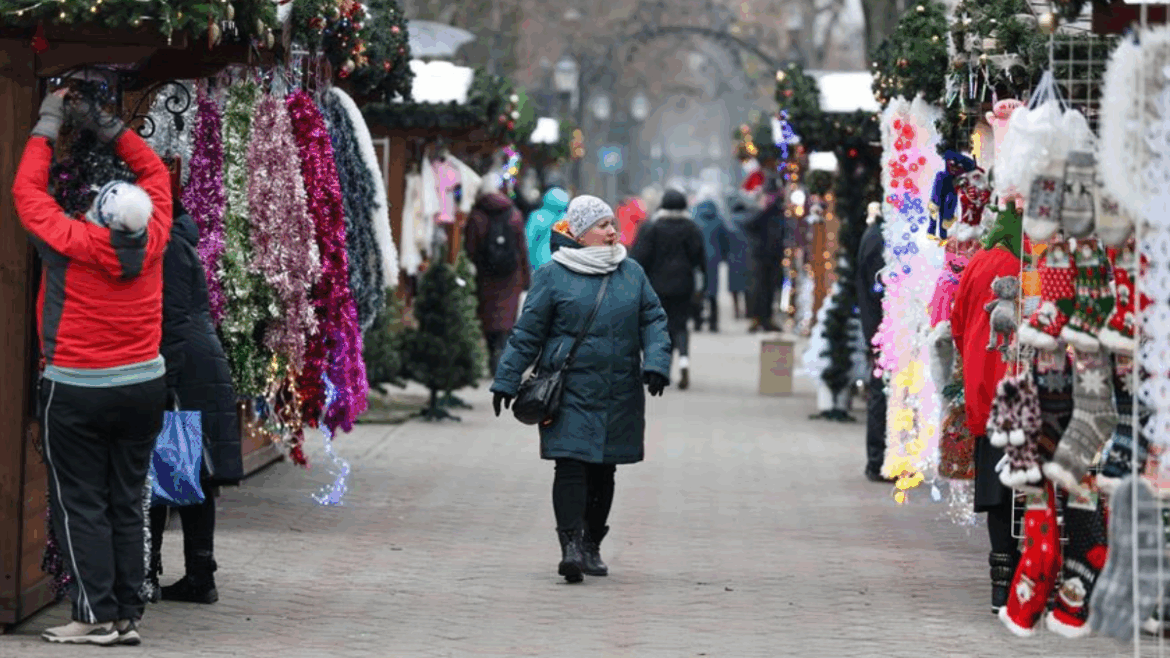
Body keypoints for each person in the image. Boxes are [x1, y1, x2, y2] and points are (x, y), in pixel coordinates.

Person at [14, 89, 172, 645]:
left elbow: (26, 191)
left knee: (80, 502)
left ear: (97, 215)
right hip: (144, 387)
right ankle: (127, 612)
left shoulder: (70, 242)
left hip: (76, 389)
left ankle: (94, 615)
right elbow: (154, 171)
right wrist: (108, 126)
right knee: (127, 499)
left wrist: (51, 121)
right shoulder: (154, 237)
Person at [489, 195, 671, 584]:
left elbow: (653, 320)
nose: (611, 231)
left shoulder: (632, 272)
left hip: (618, 389)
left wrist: (656, 363)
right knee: (570, 463)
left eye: (611, 224)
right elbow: (527, 333)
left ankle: (591, 543)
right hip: (568, 389)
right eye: (602, 225)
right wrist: (506, 379)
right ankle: (569, 546)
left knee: (604, 469)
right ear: (579, 232)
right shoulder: (553, 275)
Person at [148, 201, 242, 606]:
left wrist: (163, 383)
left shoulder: (166, 246)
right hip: (198, 360)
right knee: (191, 477)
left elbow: (169, 316)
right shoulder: (181, 241)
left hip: (183, 365)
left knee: (162, 472)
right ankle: (199, 574)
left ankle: (149, 573)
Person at [949, 203, 1025, 614]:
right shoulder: (1030, 264)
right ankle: (1028, 583)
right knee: (1029, 488)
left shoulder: (978, 262)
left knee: (996, 493)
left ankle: (1001, 586)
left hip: (986, 393)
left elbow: (958, 323)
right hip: (1029, 395)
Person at [630, 189, 706, 390]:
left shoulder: (652, 228)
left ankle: (660, 368)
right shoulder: (692, 228)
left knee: (658, 326)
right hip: (684, 286)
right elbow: (700, 260)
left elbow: (639, 258)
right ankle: (684, 361)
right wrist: (703, 289)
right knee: (680, 325)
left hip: (656, 286)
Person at [464, 179, 532, 376]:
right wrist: (526, 277)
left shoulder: (476, 216)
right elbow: (522, 249)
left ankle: (491, 353)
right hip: (511, 276)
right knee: (506, 317)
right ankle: (501, 355)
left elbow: (470, 247)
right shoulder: (514, 214)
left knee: (487, 316)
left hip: (485, 275)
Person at [855, 204, 893, 483]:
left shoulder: (876, 234)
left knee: (883, 391)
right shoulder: (879, 239)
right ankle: (878, 460)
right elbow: (877, 287)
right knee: (882, 392)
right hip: (884, 328)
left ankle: (880, 459)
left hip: (881, 327)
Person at [742, 181, 785, 333]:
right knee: (764, 289)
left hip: (765, 255)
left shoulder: (770, 210)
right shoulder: (776, 211)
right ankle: (762, 319)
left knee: (762, 289)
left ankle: (761, 319)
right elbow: (748, 224)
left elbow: (748, 224)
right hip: (768, 255)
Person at [691, 188, 731, 333]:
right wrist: (724, 256)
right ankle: (713, 322)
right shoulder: (718, 219)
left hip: (697, 259)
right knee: (713, 291)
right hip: (714, 259)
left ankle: (697, 322)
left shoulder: (694, 218)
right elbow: (725, 239)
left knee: (698, 289)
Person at [525, 186, 570, 272]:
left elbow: (528, 241)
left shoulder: (536, 217)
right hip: (562, 265)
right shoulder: (566, 219)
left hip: (539, 263)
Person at [725, 194, 752, 320]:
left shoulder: (729, 224)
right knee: (747, 286)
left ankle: (736, 310)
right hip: (749, 257)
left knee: (734, 287)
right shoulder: (751, 221)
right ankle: (747, 310)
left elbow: (724, 242)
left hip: (733, 258)